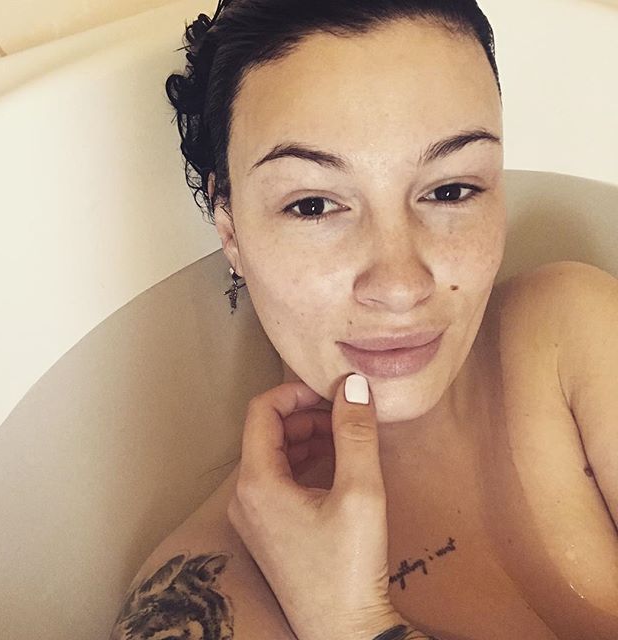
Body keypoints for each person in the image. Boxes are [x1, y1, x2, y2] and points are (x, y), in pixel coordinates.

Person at [109, 0, 618, 638]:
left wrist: (348, 623)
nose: (400, 286)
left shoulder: (572, 332)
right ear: (231, 230)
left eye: (451, 190)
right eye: (314, 205)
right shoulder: (204, 598)